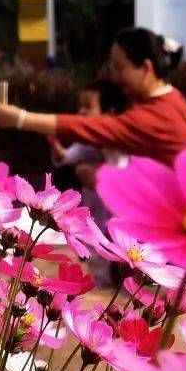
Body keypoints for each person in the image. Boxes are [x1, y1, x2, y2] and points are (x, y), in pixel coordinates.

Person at [0, 27, 186, 167]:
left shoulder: (154, 116)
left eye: (120, 68)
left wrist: (20, 119)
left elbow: (90, 127)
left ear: (145, 68)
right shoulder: (171, 97)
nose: (114, 76)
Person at [47, 79, 128, 287]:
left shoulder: (119, 140)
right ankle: (101, 283)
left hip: (117, 209)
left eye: (88, 106)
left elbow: (120, 169)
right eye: (80, 106)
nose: (81, 111)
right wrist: (59, 151)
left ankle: (120, 284)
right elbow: (69, 156)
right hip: (96, 208)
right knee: (95, 247)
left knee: (118, 248)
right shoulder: (86, 140)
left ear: (109, 113)